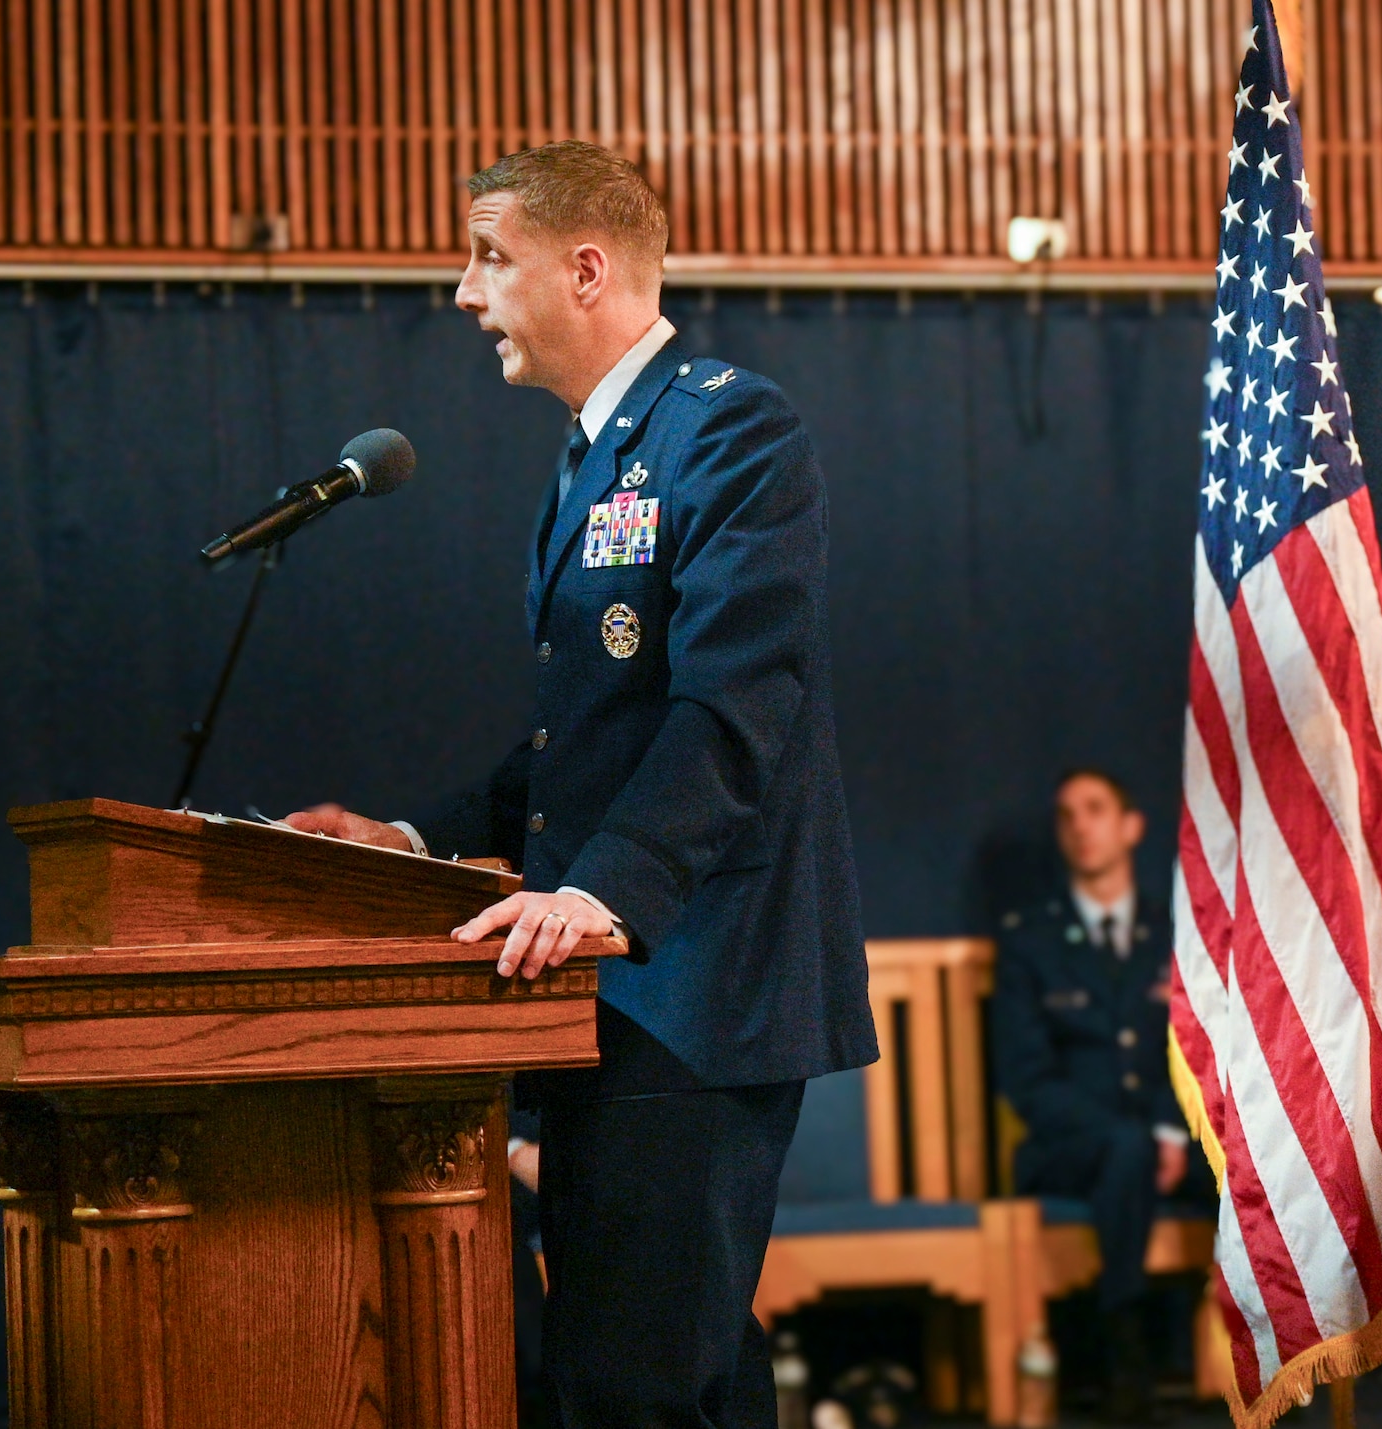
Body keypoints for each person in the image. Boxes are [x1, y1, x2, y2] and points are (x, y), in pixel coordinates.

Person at [285, 139, 876, 1428]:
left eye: (490, 257)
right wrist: (412, 837)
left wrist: (608, 890)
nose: (462, 291)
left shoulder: (727, 424)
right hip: (612, 987)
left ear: (587, 267)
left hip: (699, 982)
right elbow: (581, 745)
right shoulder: (589, 456)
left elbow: (737, 703)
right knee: (681, 1370)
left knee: (631, 1382)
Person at [988, 768, 1205, 1422]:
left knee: (1255, 1169)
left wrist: (1169, 1131)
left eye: (1095, 809)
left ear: (1131, 826)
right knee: (1121, 1149)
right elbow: (1025, 1078)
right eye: (1067, 815)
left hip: (1163, 1143)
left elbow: (1201, 1055)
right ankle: (1125, 1352)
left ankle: (1279, 1366)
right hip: (1067, 1147)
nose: (1080, 826)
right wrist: (1138, 1140)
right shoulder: (1031, 940)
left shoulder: (1176, 934)